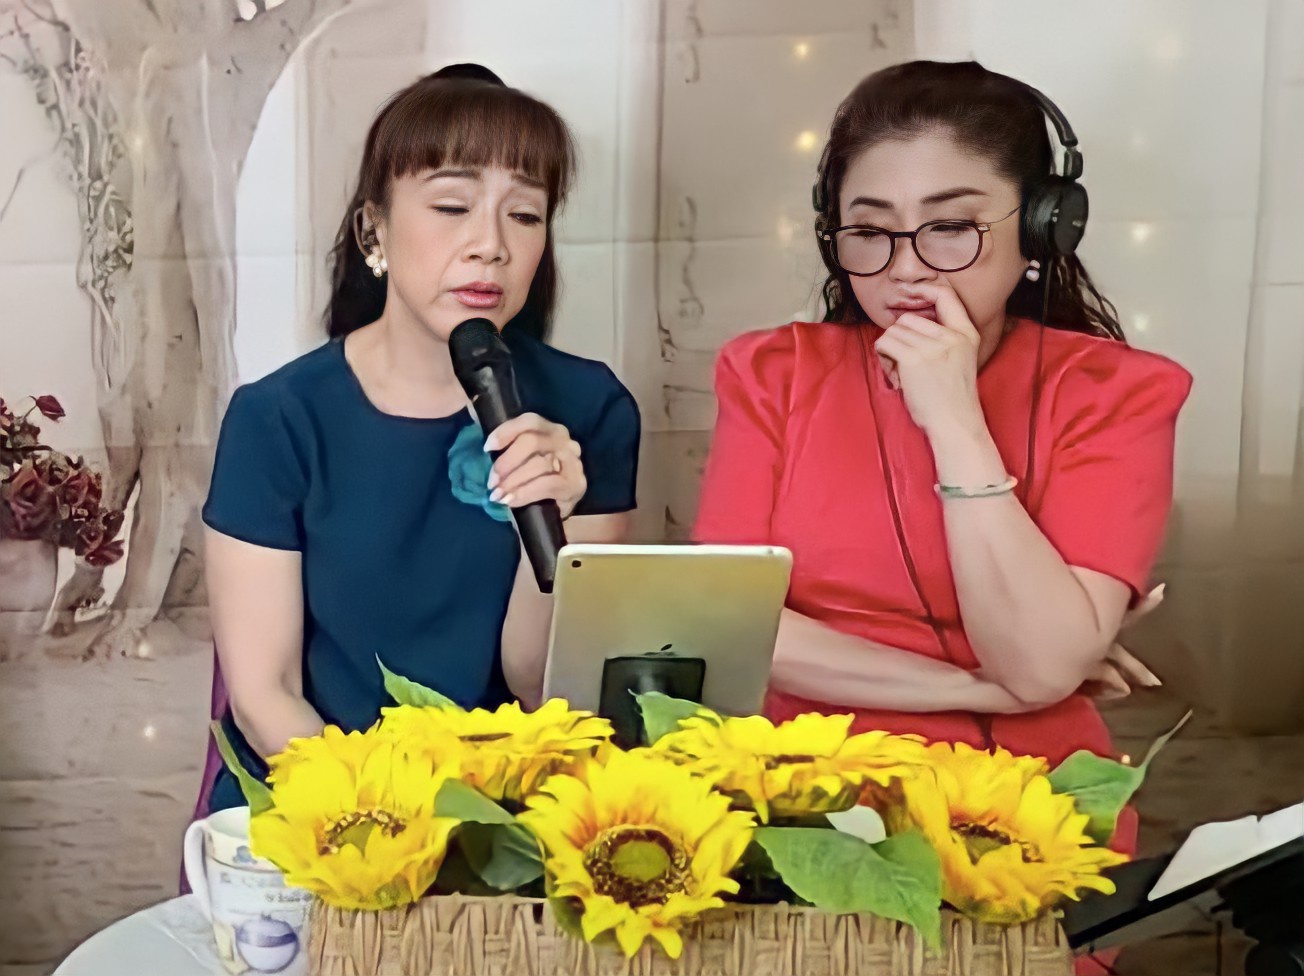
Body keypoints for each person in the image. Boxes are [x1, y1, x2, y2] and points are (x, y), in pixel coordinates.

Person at [694, 60, 1190, 844]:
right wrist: (982, 690)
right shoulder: (770, 374)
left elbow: (1038, 664)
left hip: (1027, 814)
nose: (905, 268)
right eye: (870, 232)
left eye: (951, 227)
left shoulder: (1117, 394)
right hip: (796, 800)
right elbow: (729, 633)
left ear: (1042, 229)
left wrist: (955, 419)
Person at [199, 65, 640, 813]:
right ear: (374, 227)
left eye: (524, 215)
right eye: (452, 206)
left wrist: (556, 529)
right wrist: (388, 824)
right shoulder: (277, 417)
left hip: (505, 812)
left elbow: (543, 688)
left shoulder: (588, 410)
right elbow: (265, 697)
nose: (490, 246)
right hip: (321, 803)